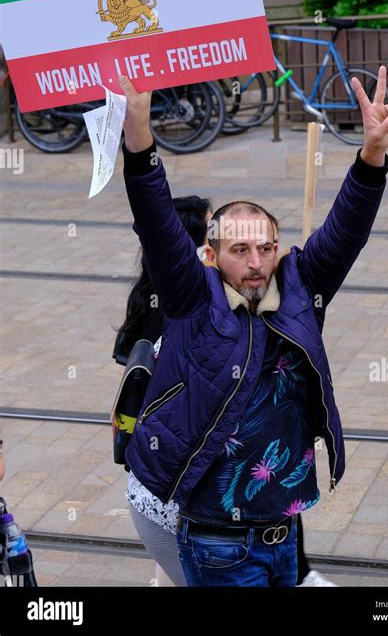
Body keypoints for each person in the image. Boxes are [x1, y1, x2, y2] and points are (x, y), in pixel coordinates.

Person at [120, 67, 388, 587]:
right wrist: (139, 140)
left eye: (265, 248)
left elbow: (346, 230)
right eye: (239, 249)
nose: (255, 263)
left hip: (285, 530)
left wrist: (372, 155)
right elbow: (155, 220)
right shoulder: (191, 296)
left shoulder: (300, 287)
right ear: (211, 254)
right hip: (218, 542)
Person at [113, 196, 212, 587]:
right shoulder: (181, 308)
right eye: (213, 231)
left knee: (169, 566)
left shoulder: (157, 289)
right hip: (167, 480)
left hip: (154, 477)